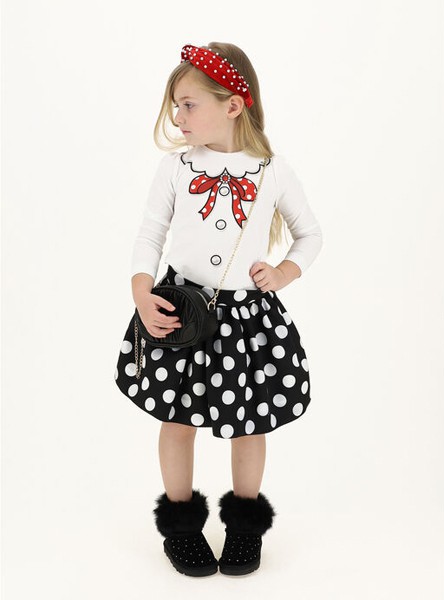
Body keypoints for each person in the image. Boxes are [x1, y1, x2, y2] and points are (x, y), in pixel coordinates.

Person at [114, 41, 323, 577]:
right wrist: (141, 290)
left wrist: (283, 273)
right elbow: (150, 234)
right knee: (177, 418)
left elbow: (310, 235)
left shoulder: (271, 170)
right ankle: (181, 526)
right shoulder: (176, 167)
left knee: (249, 422)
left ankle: (244, 529)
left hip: (248, 320)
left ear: (232, 105)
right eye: (175, 106)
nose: (177, 117)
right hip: (180, 310)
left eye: (188, 105)